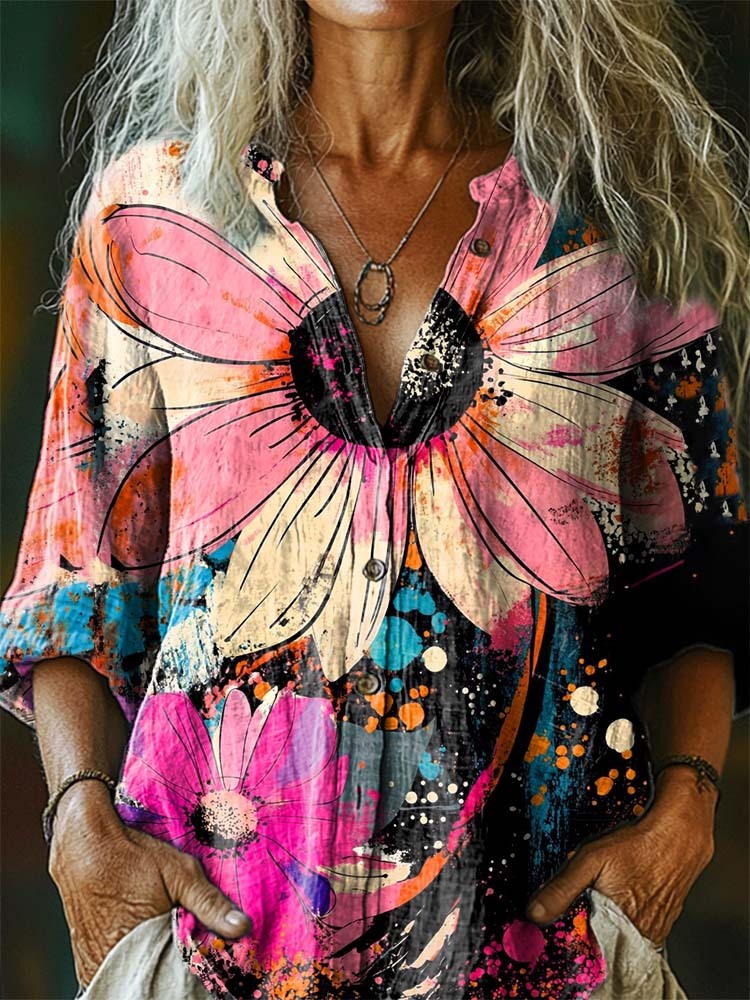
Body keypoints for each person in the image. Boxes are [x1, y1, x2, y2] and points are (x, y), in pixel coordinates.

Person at [1, 1, 748, 998]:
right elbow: (73, 583)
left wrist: (690, 806)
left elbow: (696, 584)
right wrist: (79, 820)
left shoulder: (614, 214)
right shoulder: (155, 213)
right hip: (216, 950)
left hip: (544, 955)